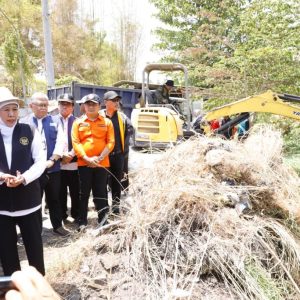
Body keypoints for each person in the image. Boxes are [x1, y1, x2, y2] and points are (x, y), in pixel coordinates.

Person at [0, 87, 46, 276]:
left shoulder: (30, 130)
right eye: (6, 110)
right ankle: (14, 286)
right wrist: (2, 176)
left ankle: (38, 283)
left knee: (34, 247)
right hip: (2, 205)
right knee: (7, 250)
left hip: (29, 201)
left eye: (15, 109)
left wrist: (24, 178)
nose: (11, 114)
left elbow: (41, 161)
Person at [20, 93, 69, 237]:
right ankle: (35, 230)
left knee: (55, 198)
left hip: (52, 169)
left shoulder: (55, 121)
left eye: (45, 105)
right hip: (32, 171)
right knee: (34, 201)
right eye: (40, 105)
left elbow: (60, 143)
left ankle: (57, 226)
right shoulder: (23, 122)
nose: (43, 108)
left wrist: (53, 160)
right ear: (31, 106)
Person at [72, 93, 115, 231]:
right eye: (88, 104)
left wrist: (99, 158)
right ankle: (82, 221)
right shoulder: (77, 122)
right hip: (84, 164)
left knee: (101, 192)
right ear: (84, 106)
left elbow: (111, 142)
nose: (90, 107)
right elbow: (76, 142)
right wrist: (86, 158)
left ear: (99, 106)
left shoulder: (107, 122)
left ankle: (103, 219)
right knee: (83, 193)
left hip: (102, 163)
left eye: (93, 104)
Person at [101, 91, 133, 213]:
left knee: (116, 182)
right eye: (113, 100)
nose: (116, 103)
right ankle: (103, 208)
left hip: (118, 155)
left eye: (117, 100)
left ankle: (115, 208)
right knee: (102, 183)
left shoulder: (122, 117)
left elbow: (130, 130)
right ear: (105, 102)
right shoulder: (99, 116)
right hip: (103, 156)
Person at [52, 94, 80, 224]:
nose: (64, 106)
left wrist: (71, 155)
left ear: (73, 107)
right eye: (62, 103)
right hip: (57, 165)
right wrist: (60, 157)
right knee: (59, 192)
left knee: (75, 191)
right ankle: (62, 215)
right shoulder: (50, 121)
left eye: (68, 104)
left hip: (74, 164)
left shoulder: (78, 121)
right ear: (58, 106)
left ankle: (76, 214)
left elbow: (82, 140)